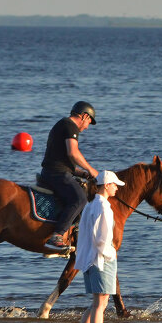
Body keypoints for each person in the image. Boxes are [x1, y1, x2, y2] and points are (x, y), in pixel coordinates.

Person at [71, 170, 124, 323]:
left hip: (90, 259)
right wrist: (110, 254)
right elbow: (101, 239)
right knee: (100, 304)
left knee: (97, 303)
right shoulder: (103, 206)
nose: (117, 188)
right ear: (107, 185)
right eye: (115, 185)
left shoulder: (91, 204)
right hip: (100, 259)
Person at [41, 101, 100, 249]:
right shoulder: (69, 126)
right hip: (56, 174)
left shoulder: (62, 125)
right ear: (84, 116)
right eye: (89, 122)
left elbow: (63, 160)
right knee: (80, 198)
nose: (87, 127)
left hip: (55, 171)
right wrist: (91, 169)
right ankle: (57, 235)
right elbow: (72, 153)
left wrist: (83, 174)